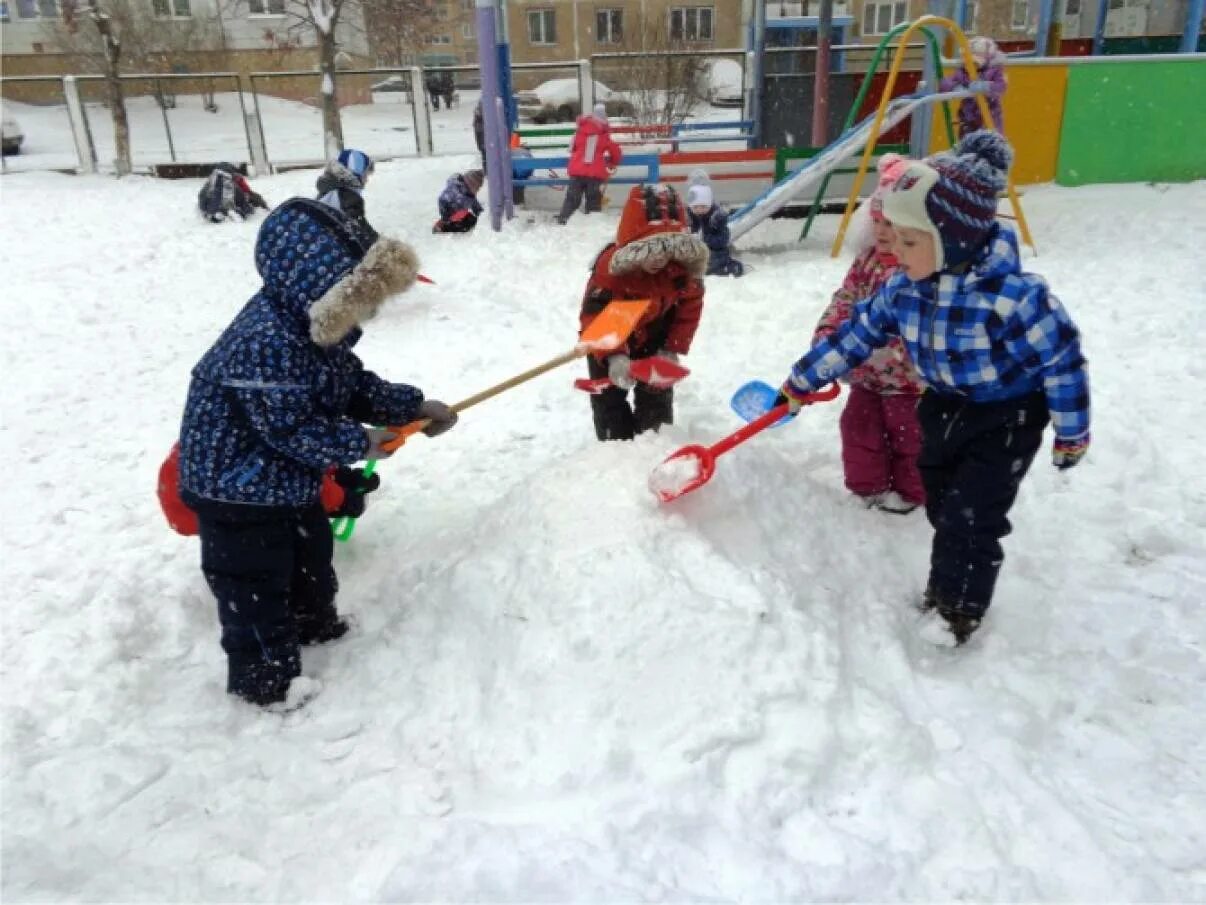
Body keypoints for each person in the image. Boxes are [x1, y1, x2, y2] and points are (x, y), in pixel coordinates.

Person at [775, 131, 1090, 646]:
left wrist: (1071, 432)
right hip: (942, 404)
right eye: (892, 238)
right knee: (943, 504)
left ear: (954, 237)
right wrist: (801, 380)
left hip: (1007, 417)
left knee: (972, 516)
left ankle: (957, 608)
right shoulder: (903, 288)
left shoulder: (1015, 299)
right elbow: (855, 336)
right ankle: (951, 577)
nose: (895, 252)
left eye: (909, 240)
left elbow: (1063, 363)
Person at [176, 197, 460, 707]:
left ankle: (314, 623)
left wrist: (410, 406)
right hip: (233, 490)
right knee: (254, 583)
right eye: (360, 299)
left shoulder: (312, 331)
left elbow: (349, 385)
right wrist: (362, 442)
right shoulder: (265, 342)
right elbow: (292, 429)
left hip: (283, 479)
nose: (367, 313)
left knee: (310, 554)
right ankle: (265, 682)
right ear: (322, 291)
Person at [813, 153, 923, 514]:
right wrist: (829, 330)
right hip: (865, 374)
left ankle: (912, 491)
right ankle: (868, 486)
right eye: (876, 221)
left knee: (910, 437)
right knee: (859, 429)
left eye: (890, 224)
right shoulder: (867, 261)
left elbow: (923, 325)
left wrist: (892, 351)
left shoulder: (921, 271)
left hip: (910, 382)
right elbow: (846, 297)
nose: (881, 231)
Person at [579, 184, 708, 441]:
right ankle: (615, 449)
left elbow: (689, 308)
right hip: (609, 336)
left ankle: (653, 445)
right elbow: (594, 317)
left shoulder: (680, 270)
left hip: (655, 336)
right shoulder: (610, 273)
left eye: (665, 253)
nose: (658, 261)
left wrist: (672, 348)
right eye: (649, 253)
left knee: (656, 405)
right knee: (609, 403)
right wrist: (614, 356)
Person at [557, 103, 622, 225]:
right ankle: (592, 223)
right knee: (593, 200)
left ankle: (564, 219)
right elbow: (616, 152)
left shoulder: (580, 131)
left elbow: (572, 148)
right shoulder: (602, 134)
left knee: (572, 198)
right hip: (594, 173)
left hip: (576, 170)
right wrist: (613, 162)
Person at [940, 35, 1007, 137]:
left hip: (988, 117)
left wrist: (985, 86)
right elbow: (945, 84)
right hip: (968, 119)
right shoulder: (963, 72)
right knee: (967, 142)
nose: (971, 66)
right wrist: (954, 87)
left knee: (986, 143)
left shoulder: (994, 71)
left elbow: (1001, 86)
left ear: (986, 60)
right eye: (968, 62)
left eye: (976, 63)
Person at [316, 147, 377, 248]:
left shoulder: (327, 189)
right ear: (356, 173)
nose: (366, 180)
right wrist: (381, 242)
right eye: (365, 175)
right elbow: (361, 230)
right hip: (337, 248)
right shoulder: (350, 196)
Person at [685, 182, 745, 277]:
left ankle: (733, 267)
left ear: (710, 204)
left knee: (712, 264)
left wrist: (706, 239)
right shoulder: (690, 216)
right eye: (695, 207)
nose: (699, 210)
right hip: (697, 251)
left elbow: (723, 240)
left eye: (703, 206)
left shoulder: (717, 218)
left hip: (715, 251)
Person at [197, 163, 268, 223]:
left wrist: (206, 211)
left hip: (211, 208)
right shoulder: (230, 182)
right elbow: (245, 193)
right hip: (225, 207)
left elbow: (203, 198)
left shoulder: (210, 183)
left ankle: (221, 213)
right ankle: (224, 213)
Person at [433, 169, 484, 234]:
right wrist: (445, 216)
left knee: (471, 220)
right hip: (450, 211)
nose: (478, 189)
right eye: (477, 187)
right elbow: (442, 199)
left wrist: (481, 214)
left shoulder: (470, 195)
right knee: (462, 222)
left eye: (478, 188)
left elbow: (476, 207)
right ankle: (441, 228)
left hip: (458, 212)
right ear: (470, 184)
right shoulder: (455, 190)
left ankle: (445, 225)